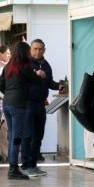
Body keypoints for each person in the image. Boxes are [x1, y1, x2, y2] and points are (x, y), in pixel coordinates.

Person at [0, 41, 45, 180]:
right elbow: (36, 81)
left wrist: (11, 92)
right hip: (19, 106)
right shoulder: (25, 67)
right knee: (16, 138)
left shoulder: (8, 67)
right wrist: (40, 75)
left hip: (7, 104)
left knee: (13, 136)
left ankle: (13, 166)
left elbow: (0, 85)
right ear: (25, 53)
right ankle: (13, 169)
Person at [21, 39, 59, 178]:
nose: (38, 51)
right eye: (35, 48)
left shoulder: (46, 65)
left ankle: (33, 165)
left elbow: (49, 82)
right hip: (28, 104)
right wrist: (35, 75)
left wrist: (59, 86)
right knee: (28, 136)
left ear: (44, 50)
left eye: (40, 49)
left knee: (38, 136)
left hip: (41, 104)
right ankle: (25, 165)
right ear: (30, 50)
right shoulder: (26, 64)